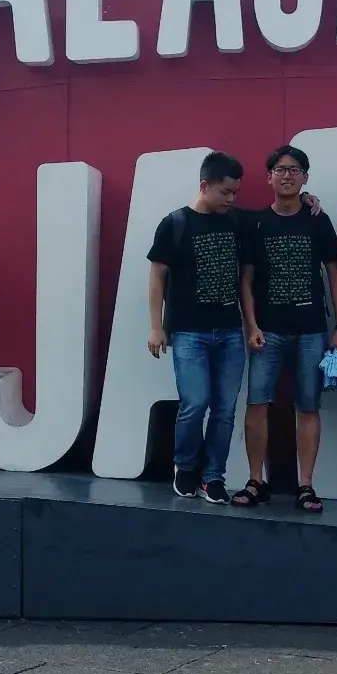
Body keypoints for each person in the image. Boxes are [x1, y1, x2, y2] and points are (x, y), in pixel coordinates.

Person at [235, 146, 337, 513]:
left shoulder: (317, 220)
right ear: (269, 177)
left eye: (295, 170)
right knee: (257, 403)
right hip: (267, 332)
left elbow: (335, 274)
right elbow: (245, 279)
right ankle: (255, 480)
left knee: (309, 406)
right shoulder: (255, 223)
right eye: (280, 170)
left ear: (305, 177)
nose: (287, 175)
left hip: (311, 331)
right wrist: (251, 324)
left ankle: (306, 485)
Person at [147, 151, 253, 504]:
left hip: (230, 331)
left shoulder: (234, 221)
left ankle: (213, 476)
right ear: (205, 186)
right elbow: (157, 276)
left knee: (225, 409)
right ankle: (185, 467)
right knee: (195, 403)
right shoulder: (175, 223)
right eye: (225, 192)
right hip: (189, 332)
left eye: (235, 192)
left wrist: (307, 198)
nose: (231, 199)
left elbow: (273, 217)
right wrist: (155, 326)